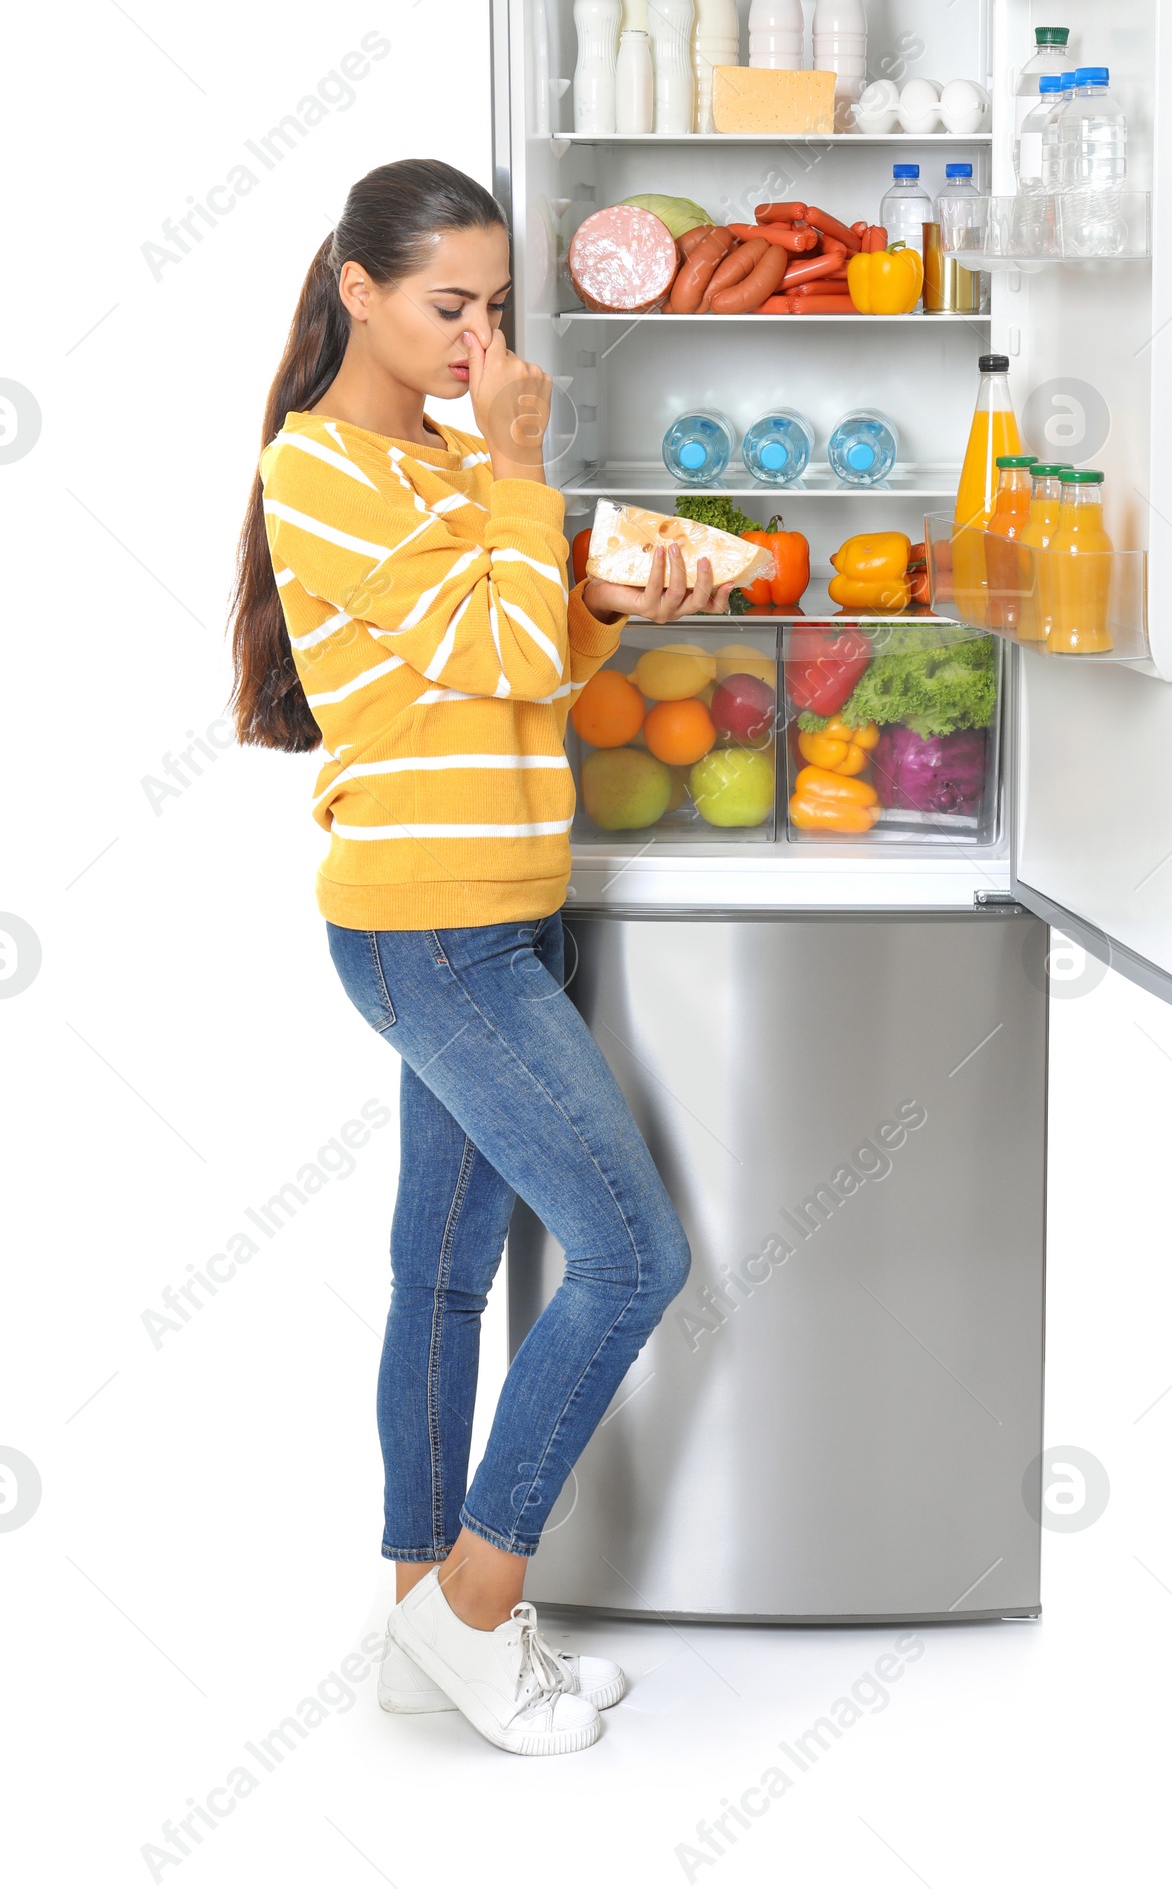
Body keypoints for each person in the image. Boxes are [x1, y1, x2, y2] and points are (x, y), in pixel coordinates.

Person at [229, 158, 725, 1755]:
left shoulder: (448, 468)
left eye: (497, 310)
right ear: (359, 290)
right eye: (450, 305)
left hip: (502, 907)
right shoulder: (321, 471)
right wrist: (528, 469)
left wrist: (610, 597)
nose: (478, 338)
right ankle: (476, 1608)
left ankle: (406, 1630)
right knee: (636, 1256)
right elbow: (490, 644)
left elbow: (529, 666)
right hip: (429, 925)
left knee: (442, 1276)